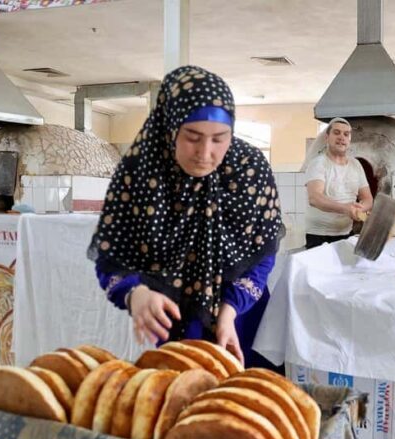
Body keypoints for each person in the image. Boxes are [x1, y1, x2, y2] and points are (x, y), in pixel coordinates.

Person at [88, 65, 284, 369]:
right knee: (184, 399)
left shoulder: (249, 168)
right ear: (169, 128)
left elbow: (262, 254)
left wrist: (230, 311)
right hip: (176, 315)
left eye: (219, 138)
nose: (205, 152)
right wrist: (135, 294)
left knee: (251, 402)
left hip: (241, 319)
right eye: (192, 137)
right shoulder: (139, 172)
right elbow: (111, 256)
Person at [304, 118, 373, 249]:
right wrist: (346, 209)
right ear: (327, 137)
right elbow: (315, 198)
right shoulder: (318, 164)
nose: (341, 137)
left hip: (346, 233)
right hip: (319, 236)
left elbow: (367, 198)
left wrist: (360, 209)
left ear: (349, 140)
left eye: (346, 134)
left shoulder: (356, 165)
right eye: (336, 133)